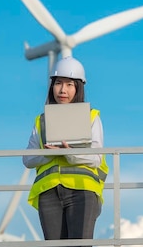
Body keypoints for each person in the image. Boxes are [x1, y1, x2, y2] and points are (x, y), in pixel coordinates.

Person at [22, 56, 108, 244]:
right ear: (51, 86)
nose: (63, 90)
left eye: (69, 84)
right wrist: (48, 154)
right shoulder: (41, 121)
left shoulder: (91, 117)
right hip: (49, 193)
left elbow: (96, 159)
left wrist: (68, 154)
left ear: (78, 88)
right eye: (58, 83)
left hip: (83, 190)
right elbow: (27, 159)